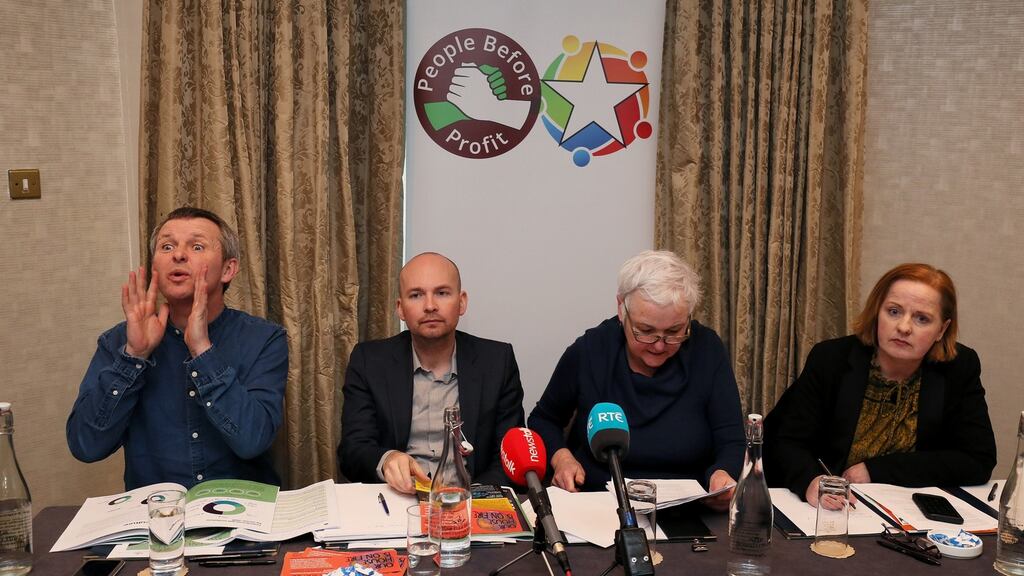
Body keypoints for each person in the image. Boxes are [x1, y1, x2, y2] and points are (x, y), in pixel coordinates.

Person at [67, 207, 287, 490]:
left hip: (242, 516)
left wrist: (203, 351)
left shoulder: (264, 339)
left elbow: (252, 441)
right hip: (156, 519)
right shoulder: (118, 342)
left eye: (196, 246)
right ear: (155, 266)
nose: (178, 255)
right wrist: (133, 357)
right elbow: (86, 446)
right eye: (167, 246)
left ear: (228, 269)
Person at [763, 263, 996, 506]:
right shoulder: (832, 359)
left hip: (907, 513)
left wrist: (877, 470)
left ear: (942, 329)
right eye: (894, 312)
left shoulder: (958, 368)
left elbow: (977, 459)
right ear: (877, 312)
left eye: (922, 318)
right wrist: (810, 480)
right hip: (829, 508)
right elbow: (785, 440)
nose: (904, 327)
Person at [528, 250, 744, 508]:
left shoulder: (707, 350)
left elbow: (730, 436)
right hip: (600, 502)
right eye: (645, 331)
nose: (659, 345)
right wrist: (562, 458)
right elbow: (543, 419)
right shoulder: (590, 351)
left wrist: (724, 473)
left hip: (689, 509)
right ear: (622, 310)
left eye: (674, 332)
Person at [339, 252, 525, 493]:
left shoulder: (497, 361)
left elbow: (507, 455)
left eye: (442, 293)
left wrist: (469, 499)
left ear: (462, 302)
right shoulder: (369, 361)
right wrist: (387, 460)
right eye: (416, 295)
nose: (429, 306)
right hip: (398, 502)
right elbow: (352, 450)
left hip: (472, 502)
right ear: (401, 308)